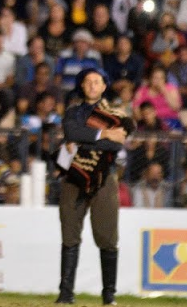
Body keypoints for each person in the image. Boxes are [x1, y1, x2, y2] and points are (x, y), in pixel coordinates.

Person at [56, 67, 134, 305]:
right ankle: (66, 293)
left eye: (96, 81)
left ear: (104, 86)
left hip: (104, 176)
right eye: (88, 81)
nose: (92, 85)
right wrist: (105, 134)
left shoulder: (116, 114)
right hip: (74, 176)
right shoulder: (73, 112)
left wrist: (83, 140)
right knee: (70, 233)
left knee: (107, 235)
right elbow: (71, 131)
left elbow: (116, 144)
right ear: (82, 86)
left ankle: (109, 294)